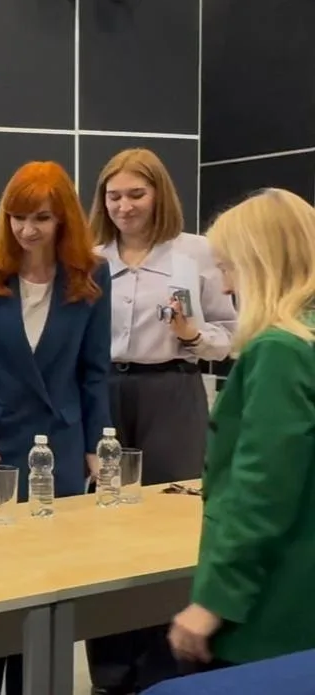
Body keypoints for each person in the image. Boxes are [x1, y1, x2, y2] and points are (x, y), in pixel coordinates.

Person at [0, 161, 112, 695]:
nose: (27, 230)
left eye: (40, 218)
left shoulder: (92, 273)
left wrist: (96, 446)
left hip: (57, 451)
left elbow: (94, 371)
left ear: (63, 219)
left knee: (45, 588)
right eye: (17, 217)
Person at [85, 149, 237, 694]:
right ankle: (110, 672)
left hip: (172, 390)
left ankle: (167, 669)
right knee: (104, 528)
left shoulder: (195, 253)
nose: (124, 206)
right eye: (114, 196)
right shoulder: (90, 256)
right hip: (104, 391)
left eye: (136, 194)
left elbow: (231, 333)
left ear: (160, 195)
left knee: (172, 523)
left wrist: (194, 335)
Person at [168, 188, 315, 671]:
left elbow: (263, 489)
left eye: (228, 267)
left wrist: (214, 600)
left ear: (260, 263)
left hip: (272, 603)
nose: (227, 286)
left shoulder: (280, 350)